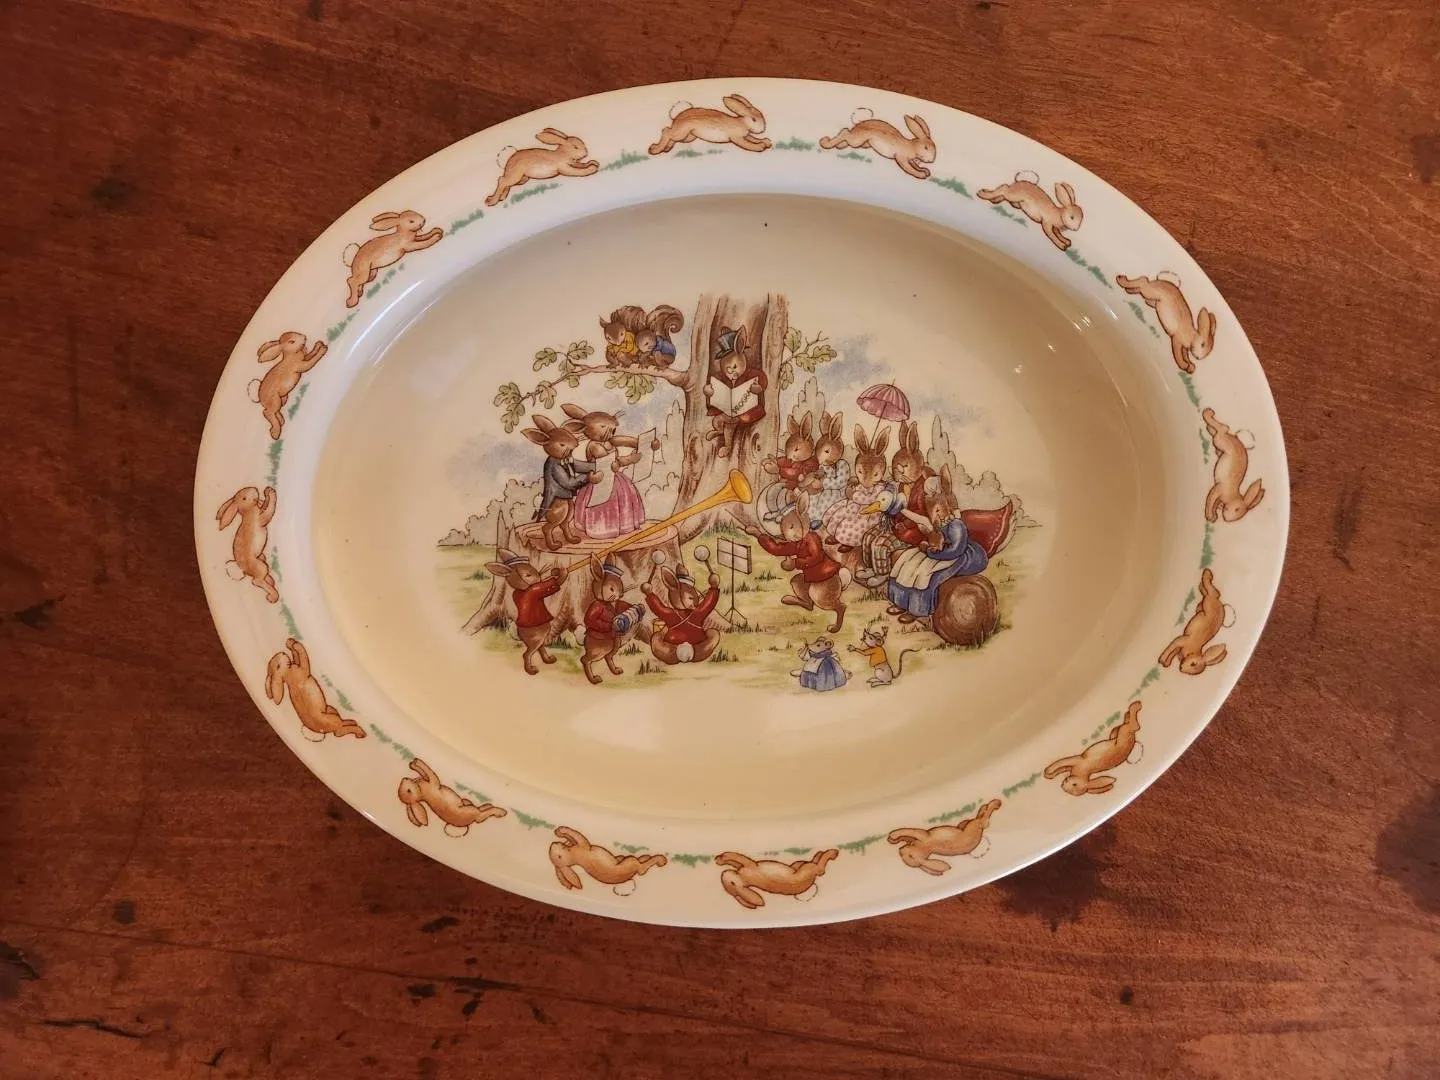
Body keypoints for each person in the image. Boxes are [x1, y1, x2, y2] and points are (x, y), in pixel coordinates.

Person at [886, 466, 989, 623]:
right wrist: (900, 510)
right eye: (933, 511)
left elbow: (956, 550)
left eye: (938, 510)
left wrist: (932, 552)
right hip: (937, 552)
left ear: (947, 506)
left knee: (925, 573)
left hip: (959, 556)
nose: (936, 515)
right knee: (907, 560)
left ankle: (917, 610)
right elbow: (923, 523)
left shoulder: (956, 525)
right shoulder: (937, 523)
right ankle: (901, 601)